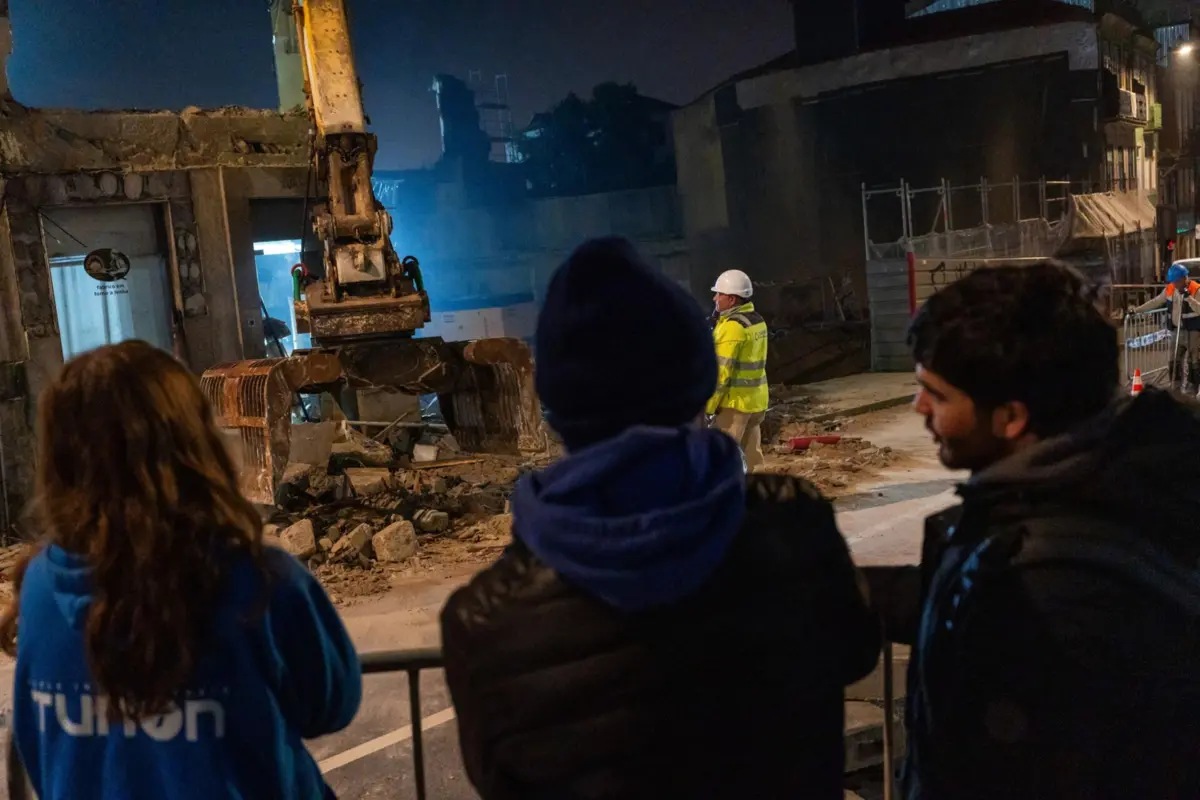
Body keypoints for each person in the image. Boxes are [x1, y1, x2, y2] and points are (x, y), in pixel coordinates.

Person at [440, 237, 880, 800]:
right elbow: (855, 651)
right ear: (692, 382)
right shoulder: (793, 527)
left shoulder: (483, 622)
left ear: (555, 405)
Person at [865, 261, 1200, 799]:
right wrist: (859, 592)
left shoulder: (1057, 600)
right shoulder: (1087, 495)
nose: (918, 407)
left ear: (1011, 418)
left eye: (938, 394)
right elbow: (979, 584)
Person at [1, 341, 362, 800]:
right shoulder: (261, 581)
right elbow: (330, 706)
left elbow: (37, 752)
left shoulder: (38, 589)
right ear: (196, 441)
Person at [707, 269, 770, 471]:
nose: (715, 297)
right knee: (753, 459)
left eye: (719, 294)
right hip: (756, 401)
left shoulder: (732, 327)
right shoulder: (756, 320)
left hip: (735, 405)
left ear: (732, 299)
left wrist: (707, 407)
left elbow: (720, 375)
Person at [1132, 262, 1200, 389]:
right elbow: (1155, 302)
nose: (1174, 284)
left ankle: (1193, 386)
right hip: (1176, 330)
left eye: (1176, 281)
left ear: (1184, 279)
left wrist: (1190, 299)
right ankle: (1175, 386)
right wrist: (1136, 310)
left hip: (1193, 331)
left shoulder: (1196, 290)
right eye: (1173, 282)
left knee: (1194, 360)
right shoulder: (1170, 289)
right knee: (1174, 359)